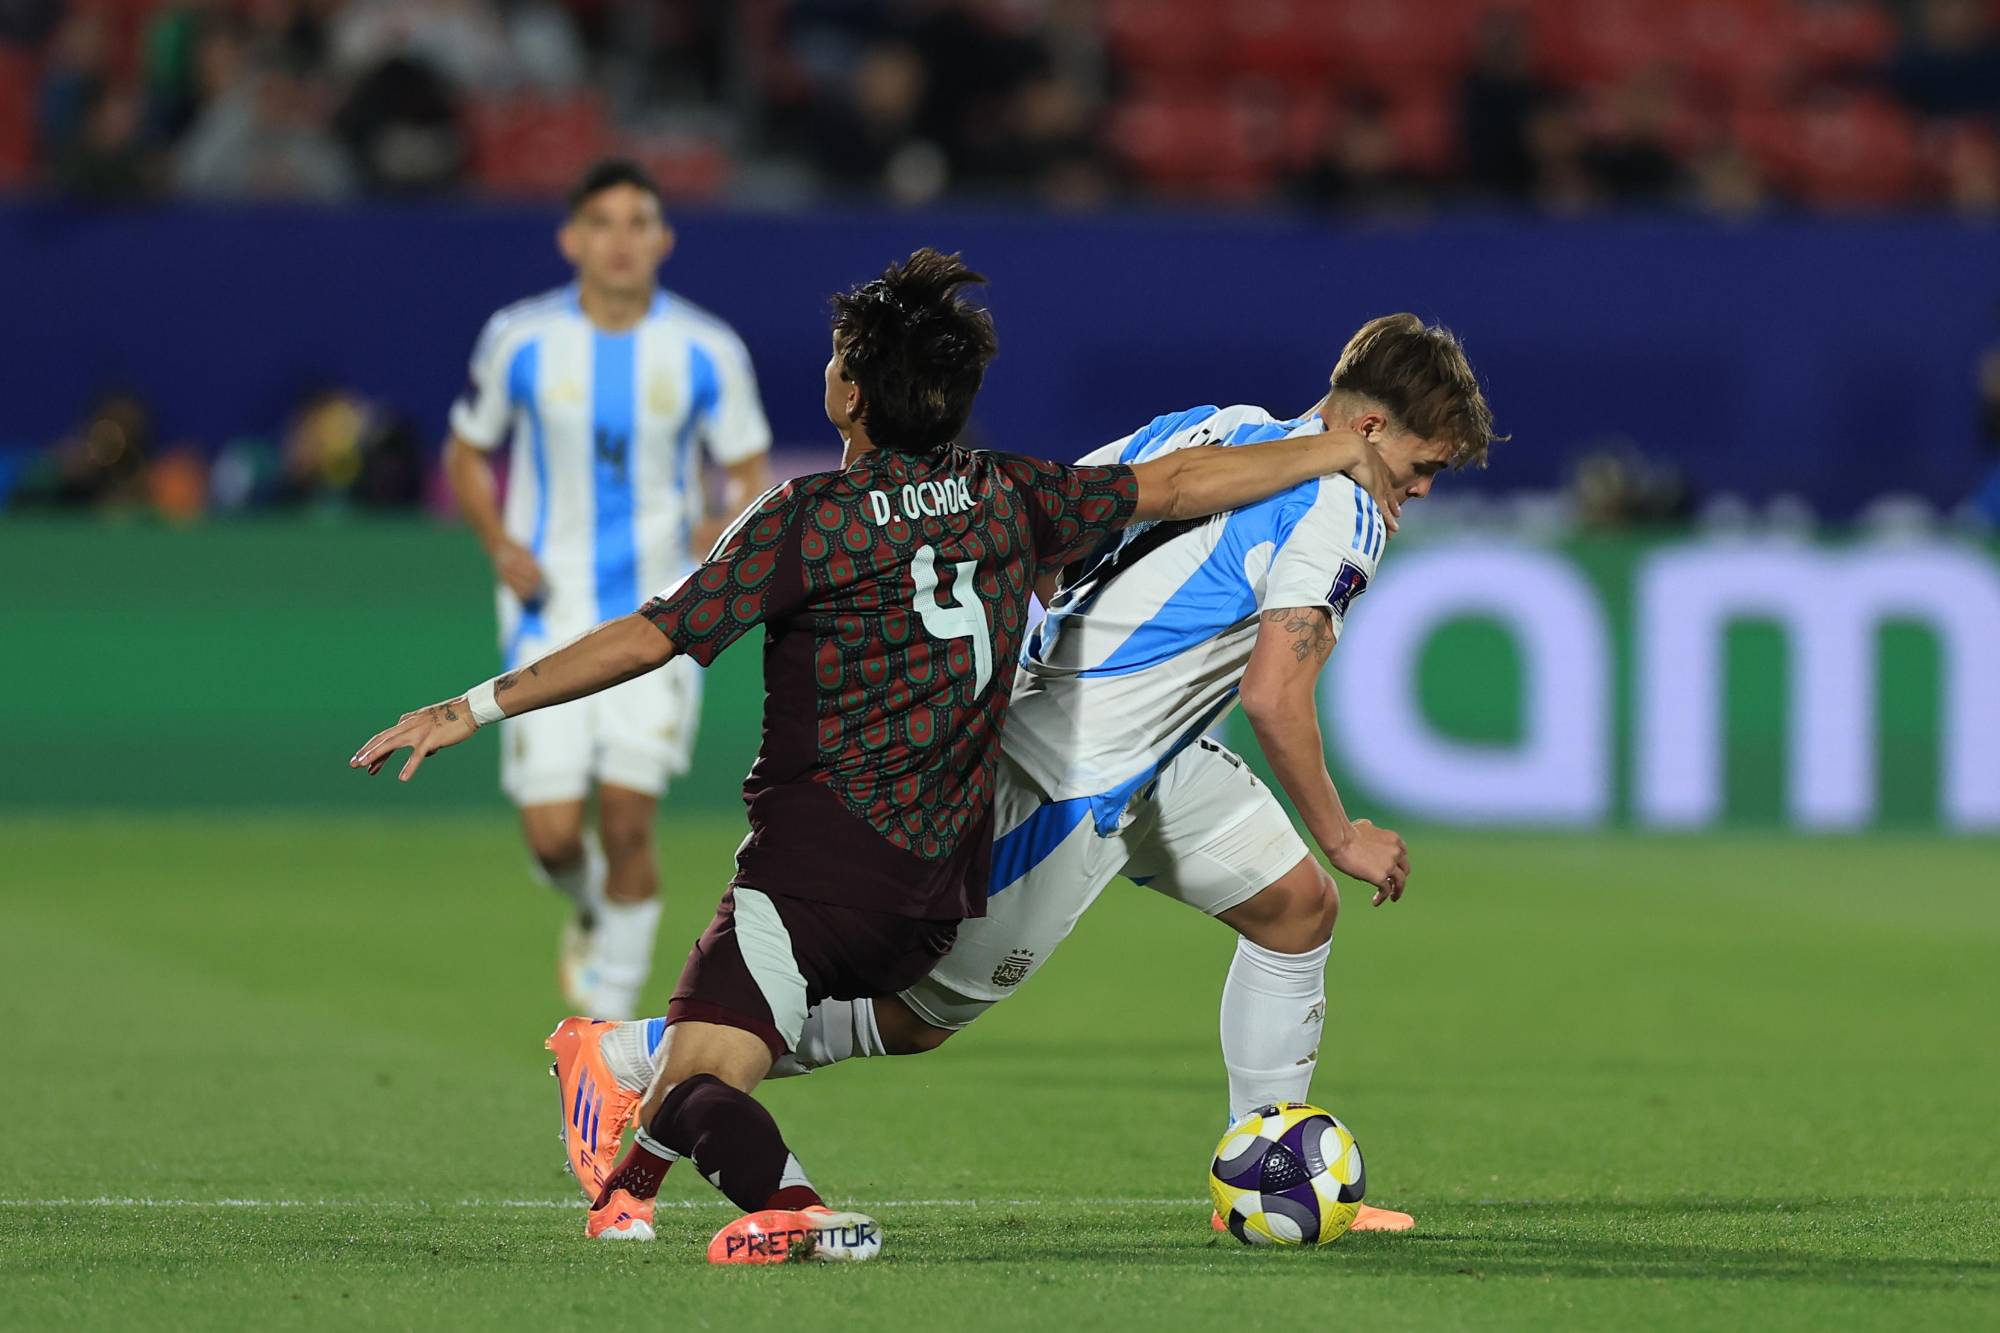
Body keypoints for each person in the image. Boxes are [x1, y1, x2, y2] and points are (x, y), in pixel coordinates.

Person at [352, 249, 1401, 1262]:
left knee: (779, 1051)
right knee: (904, 1022)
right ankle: (640, 1132)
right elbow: (1172, 487)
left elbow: (652, 635)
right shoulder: (1007, 493)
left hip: (816, 857)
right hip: (936, 862)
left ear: (846, 394)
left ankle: (718, 1143)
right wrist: (1330, 448)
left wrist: (473, 705)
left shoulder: (809, 521)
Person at [558, 313, 1500, 1239]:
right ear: (1369, 430)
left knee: (1296, 910)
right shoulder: (1346, 508)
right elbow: (1275, 696)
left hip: (1151, 757)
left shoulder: (1219, 425)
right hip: (1069, 776)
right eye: (1422, 466)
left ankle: (1269, 1172)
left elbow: (1072, 519)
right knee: (921, 1015)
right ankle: (634, 1056)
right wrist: (1343, 834)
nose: (1416, 491)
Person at [443, 158, 773, 1019]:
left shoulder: (706, 348)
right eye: (604, 222)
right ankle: (589, 905)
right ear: (571, 238)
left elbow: (747, 467)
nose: (621, 241)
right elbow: (466, 450)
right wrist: (498, 540)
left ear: (663, 238)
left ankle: (610, 1032)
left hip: (658, 615)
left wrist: (722, 527)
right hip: (545, 611)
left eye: (638, 223)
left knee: (629, 817)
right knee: (553, 837)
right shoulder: (520, 339)